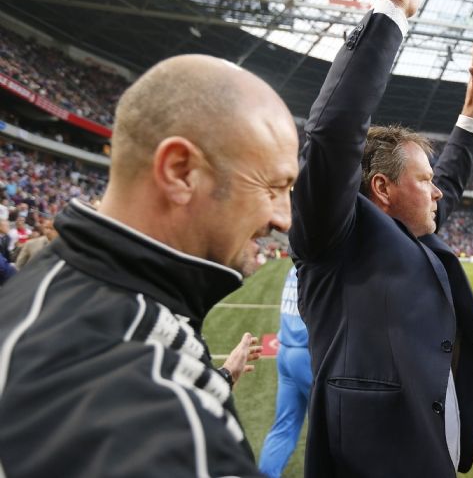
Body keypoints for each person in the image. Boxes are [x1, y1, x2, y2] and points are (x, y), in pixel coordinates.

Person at [0, 53, 298, 476]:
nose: (283, 218)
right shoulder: (147, 402)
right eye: (273, 186)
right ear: (180, 171)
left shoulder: (57, 291)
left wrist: (217, 379)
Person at [290, 0, 473, 476]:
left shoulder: (411, 236)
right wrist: (393, 10)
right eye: (423, 181)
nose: (437, 193)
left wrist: (469, 121)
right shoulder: (333, 238)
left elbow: (446, 185)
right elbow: (332, 133)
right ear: (381, 188)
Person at [258, 265, 312, 477]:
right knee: (335, 429)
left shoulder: (294, 267)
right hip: (308, 355)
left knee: (284, 428)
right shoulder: (318, 263)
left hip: (286, 351)